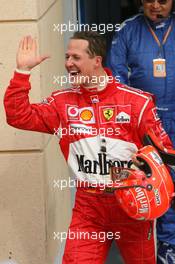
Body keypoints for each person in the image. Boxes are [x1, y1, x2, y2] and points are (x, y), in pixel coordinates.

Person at [3, 30, 173, 264]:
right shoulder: (61, 103)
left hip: (133, 202)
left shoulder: (137, 102)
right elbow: (18, 116)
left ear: (97, 61)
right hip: (88, 207)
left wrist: (148, 165)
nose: (68, 64)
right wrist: (22, 72)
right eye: (67, 57)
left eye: (75, 57)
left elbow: (166, 153)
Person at [107, 0, 175, 262]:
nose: (156, 6)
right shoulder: (128, 31)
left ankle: (169, 250)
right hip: (147, 123)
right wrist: (132, 118)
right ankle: (143, 252)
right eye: (149, 0)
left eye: (163, 1)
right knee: (149, 186)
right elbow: (117, 79)